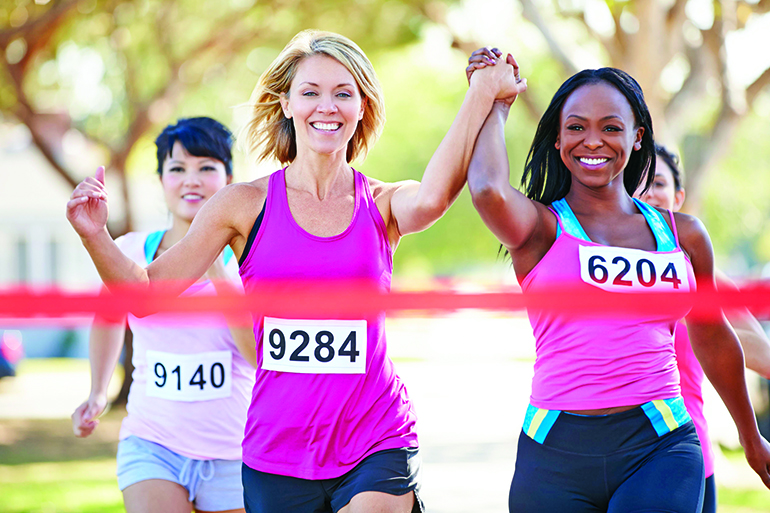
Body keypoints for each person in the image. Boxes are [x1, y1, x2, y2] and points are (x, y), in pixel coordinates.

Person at [66, 31, 524, 513]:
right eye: (310, 92)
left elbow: (433, 197)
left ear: (362, 107)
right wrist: (94, 234)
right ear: (286, 103)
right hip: (278, 452)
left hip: (375, 436)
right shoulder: (242, 204)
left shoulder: (383, 202)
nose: (327, 106)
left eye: (343, 93)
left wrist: (481, 94)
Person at [465, 48, 770, 512]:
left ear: (636, 136)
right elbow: (487, 188)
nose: (593, 141)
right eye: (576, 127)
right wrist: (497, 104)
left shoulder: (683, 235)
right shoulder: (540, 229)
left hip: (660, 444)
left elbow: (712, 336)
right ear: (557, 139)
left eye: (610, 128)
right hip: (554, 449)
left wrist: (751, 438)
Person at [70, 117, 256, 513]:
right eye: (178, 168)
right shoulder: (130, 252)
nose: (192, 180)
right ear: (161, 180)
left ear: (230, 179)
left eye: (206, 167)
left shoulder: (251, 261)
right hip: (151, 445)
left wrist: (216, 265)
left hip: (234, 452)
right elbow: (108, 318)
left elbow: (258, 355)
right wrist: (98, 391)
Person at [636, 143, 770, 513]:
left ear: (678, 198)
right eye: (638, 184)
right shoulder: (597, 265)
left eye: (658, 183)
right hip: (609, 455)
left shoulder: (699, 269)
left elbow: (755, 348)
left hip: (687, 457)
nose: (648, 193)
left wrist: (697, 316)